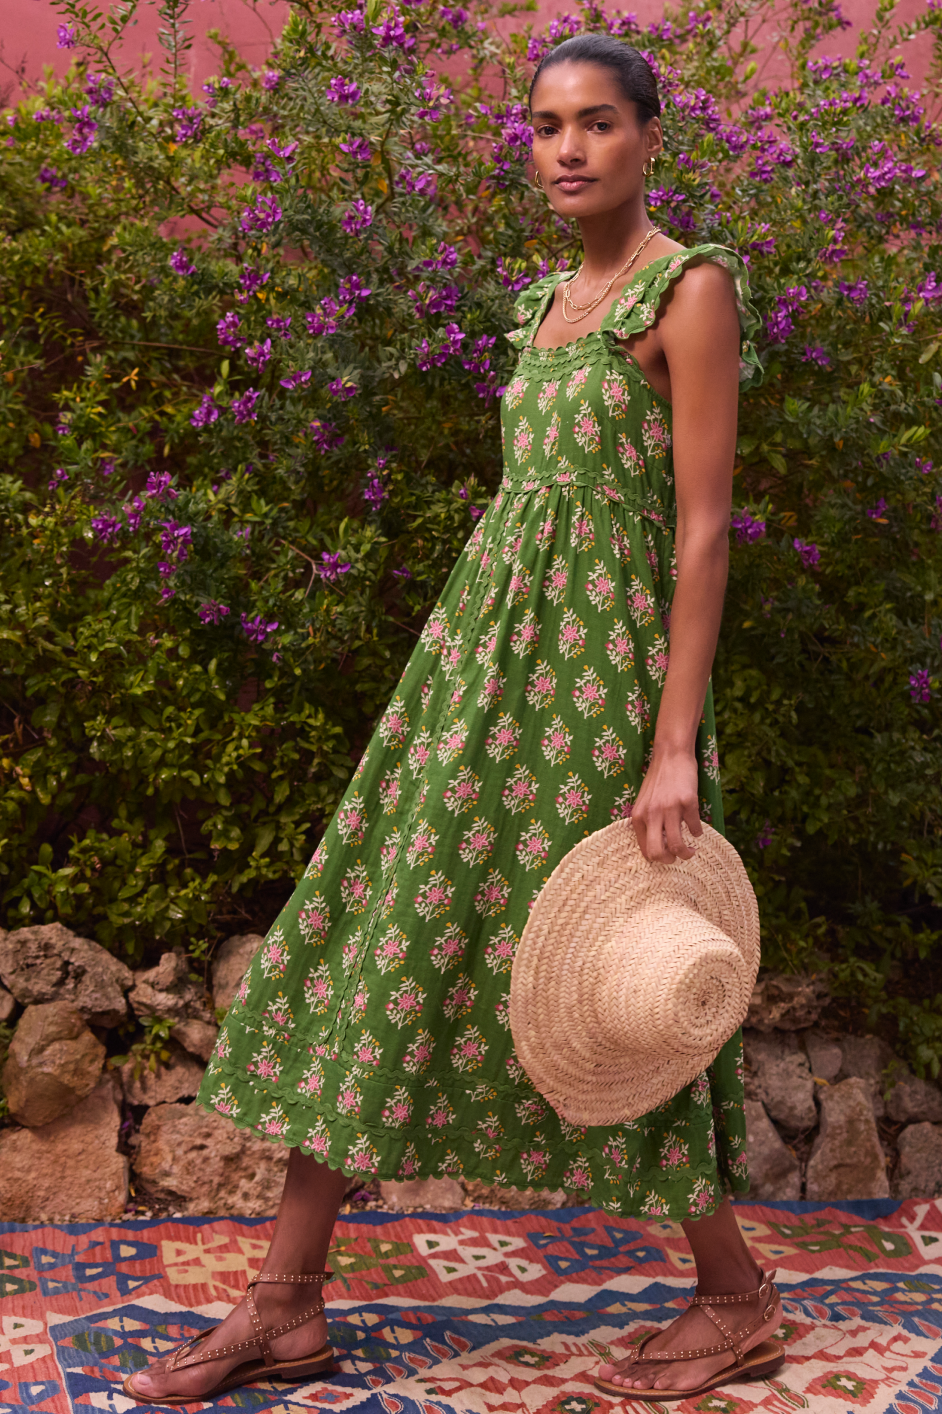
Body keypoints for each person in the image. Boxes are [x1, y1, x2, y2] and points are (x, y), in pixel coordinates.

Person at [125, 32, 783, 1407]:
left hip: (602, 685)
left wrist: (670, 744)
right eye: (544, 125)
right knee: (394, 929)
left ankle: (733, 1291)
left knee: (610, 977)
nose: (566, 149)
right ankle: (286, 1302)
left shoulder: (688, 289)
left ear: (647, 134)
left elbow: (705, 529)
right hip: (482, 671)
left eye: (596, 122)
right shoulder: (542, 303)